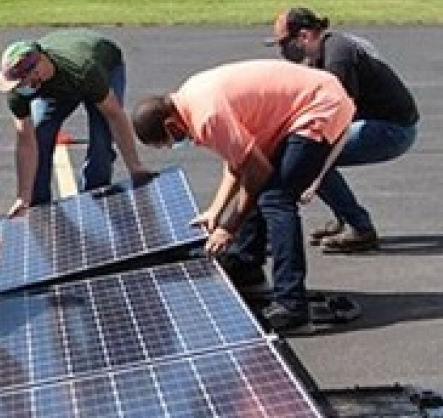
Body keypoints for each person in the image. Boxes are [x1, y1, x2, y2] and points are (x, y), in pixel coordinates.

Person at [130, 60, 356, 334]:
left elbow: (257, 172)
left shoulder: (207, 116)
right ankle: (247, 265)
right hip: (304, 101)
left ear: (170, 124)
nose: (176, 143)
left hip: (319, 105)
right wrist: (216, 210)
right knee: (261, 191)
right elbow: (238, 161)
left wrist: (228, 228)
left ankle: (292, 307)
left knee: (276, 199)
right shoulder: (190, 98)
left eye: (169, 140)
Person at [267, 7, 420, 253]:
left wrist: (314, 171)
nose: (282, 51)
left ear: (304, 36)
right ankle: (345, 217)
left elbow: (337, 116)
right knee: (306, 152)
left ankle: (360, 228)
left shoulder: (338, 56)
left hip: (392, 130)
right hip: (380, 122)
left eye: (285, 43)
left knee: (308, 156)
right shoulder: (326, 51)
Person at [0, 29, 154, 217]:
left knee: (101, 139)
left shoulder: (84, 70)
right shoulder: (18, 91)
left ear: (37, 70)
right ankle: (38, 207)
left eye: (21, 82)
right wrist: (23, 196)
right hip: (59, 86)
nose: (19, 88)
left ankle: (95, 196)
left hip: (101, 68)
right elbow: (26, 141)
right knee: (40, 134)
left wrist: (135, 166)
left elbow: (115, 116)